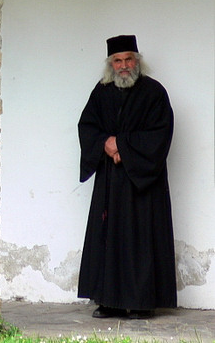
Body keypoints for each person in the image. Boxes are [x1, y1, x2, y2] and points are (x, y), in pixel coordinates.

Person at [77, 35, 176, 320]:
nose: (123, 65)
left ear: (137, 60)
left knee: (141, 239)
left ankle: (142, 303)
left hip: (143, 184)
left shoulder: (154, 93)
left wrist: (123, 146)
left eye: (128, 59)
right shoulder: (102, 92)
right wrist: (106, 143)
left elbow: (160, 134)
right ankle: (108, 301)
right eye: (118, 61)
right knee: (108, 239)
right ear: (111, 64)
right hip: (110, 181)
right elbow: (87, 126)